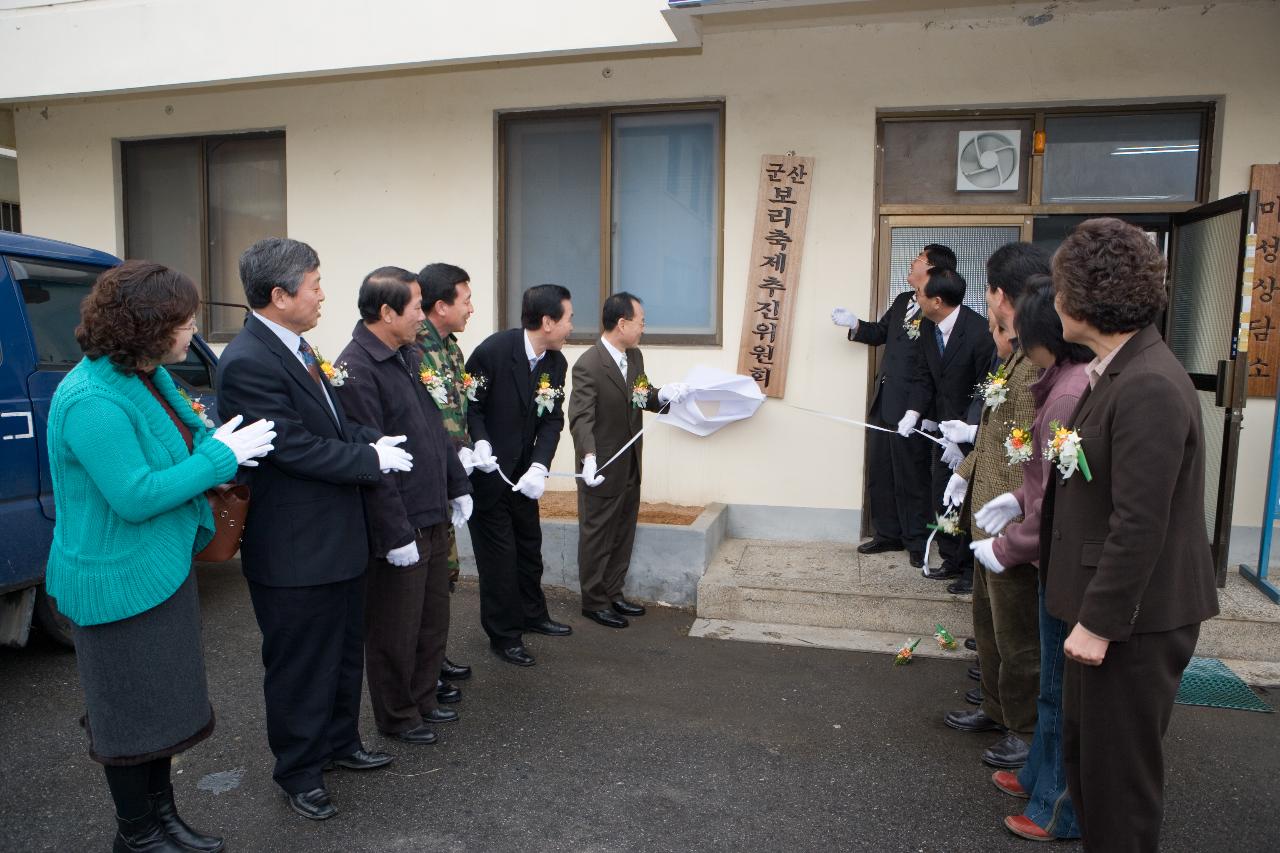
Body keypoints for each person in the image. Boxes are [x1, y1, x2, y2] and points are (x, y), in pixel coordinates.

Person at [46, 261, 274, 852]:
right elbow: (135, 495)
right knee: (126, 714)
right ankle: (136, 833)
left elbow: (191, 440)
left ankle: (162, 819)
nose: (191, 329)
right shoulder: (90, 399)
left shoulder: (145, 375)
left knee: (164, 705)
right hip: (113, 579)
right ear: (147, 327)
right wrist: (218, 461)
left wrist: (215, 452)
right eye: (184, 321)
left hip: (156, 567)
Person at [1037, 218, 1219, 851]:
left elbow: (1142, 521)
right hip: (1112, 612)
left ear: (1082, 298)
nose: (1053, 301)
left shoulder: (1145, 383)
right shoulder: (1119, 368)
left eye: (1059, 287)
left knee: (1120, 789)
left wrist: (1100, 622)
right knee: (1092, 774)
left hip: (1134, 620)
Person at [216, 238, 413, 821]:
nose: (324, 294)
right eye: (315, 284)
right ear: (279, 296)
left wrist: (367, 440)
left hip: (337, 537)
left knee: (342, 649)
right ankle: (299, 771)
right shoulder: (249, 359)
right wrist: (366, 461)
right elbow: (289, 445)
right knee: (301, 663)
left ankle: (339, 743)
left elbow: (332, 421)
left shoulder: (299, 347)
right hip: (295, 546)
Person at [333, 267, 473, 745]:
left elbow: (436, 428)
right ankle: (397, 715)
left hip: (432, 507)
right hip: (401, 520)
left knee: (433, 618)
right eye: (415, 306)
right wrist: (394, 534)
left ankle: (424, 697)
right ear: (387, 311)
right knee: (396, 626)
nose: (422, 313)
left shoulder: (409, 354)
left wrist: (457, 485)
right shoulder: (357, 368)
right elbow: (373, 460)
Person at [978, 274, 1091, 843]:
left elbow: (1057, 501)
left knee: (1060, 689)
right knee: (1051, 683)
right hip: (1055, 558)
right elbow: (1045, 484)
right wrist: (1017, 497)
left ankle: (1055, 806)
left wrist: (1007, 546)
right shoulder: (1060, 381)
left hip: (1064, 562)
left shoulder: (1069, 392)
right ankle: (1036, 775)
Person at [939, 243, 1047, 766]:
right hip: (986, 512)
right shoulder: (1013, 353)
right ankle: (997, 709)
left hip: (1015, 521)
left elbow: (1037, 445)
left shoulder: (1040, 358)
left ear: (1003, 294)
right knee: (988, 624)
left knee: (1018, 632)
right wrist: (963, 474)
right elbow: (991, 432)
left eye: (987, 288)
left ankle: (1025, 729)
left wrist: (1019, 513)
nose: (986, 298)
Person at [465, 283, 574, 666]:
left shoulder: (556, 363)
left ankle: (533, 614)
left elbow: (552, 419)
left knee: (529, 548)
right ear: (547, 321)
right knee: (499, 559)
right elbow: (471, 406)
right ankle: (504, 635)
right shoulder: (493, 352)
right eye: (568, 318)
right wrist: (480, 444)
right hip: (490, 474)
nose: (571, 327)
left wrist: (540, 466)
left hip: (525, 476)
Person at [568, 292, 689, 628]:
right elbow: (580, 418)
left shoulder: (633, 357)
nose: (643, 329)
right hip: (602, 467)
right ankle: (594, 601)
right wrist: (588, 456)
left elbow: (641, 394)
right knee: (597, 534)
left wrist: (662, 394)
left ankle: (613, 592)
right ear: (622, 323)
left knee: (623, 531)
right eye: (641, 322)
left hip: (631, 464)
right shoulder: (588, 364)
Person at [833, 244, 955, 568]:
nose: (913, 261)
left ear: (932, 272)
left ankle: (917, 540)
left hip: (912, 409)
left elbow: (931, 370)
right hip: (884, 400)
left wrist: (918, 412)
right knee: (881, 470)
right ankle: (887, 533)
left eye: (919, 259)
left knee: (911, 476)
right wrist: (855, 325)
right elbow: (880, 332)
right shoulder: (903, 300)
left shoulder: (936, 311)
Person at [902, 267, 995, 591]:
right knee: (943, 498)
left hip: (971, 433)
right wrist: (914, 413)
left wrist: (965, 435)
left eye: (920, 294)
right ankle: (951, 558)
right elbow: (925, 376)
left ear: (937, 301)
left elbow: (985, 389)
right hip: (941, 430)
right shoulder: (929, 329)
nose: (916, 297)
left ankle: (970, 570)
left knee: (968, 500)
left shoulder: (980, 332)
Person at [417, 262, 484, 691]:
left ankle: (435, 657)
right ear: (441, 306)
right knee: (425, 580)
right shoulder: (416, 348)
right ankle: (423, 668)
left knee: (446, 572)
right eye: (466, 299)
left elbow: (457, 408)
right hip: (427, 478)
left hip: (451, 478)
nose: (472, 308)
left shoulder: (451, 348)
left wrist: (471, 449)